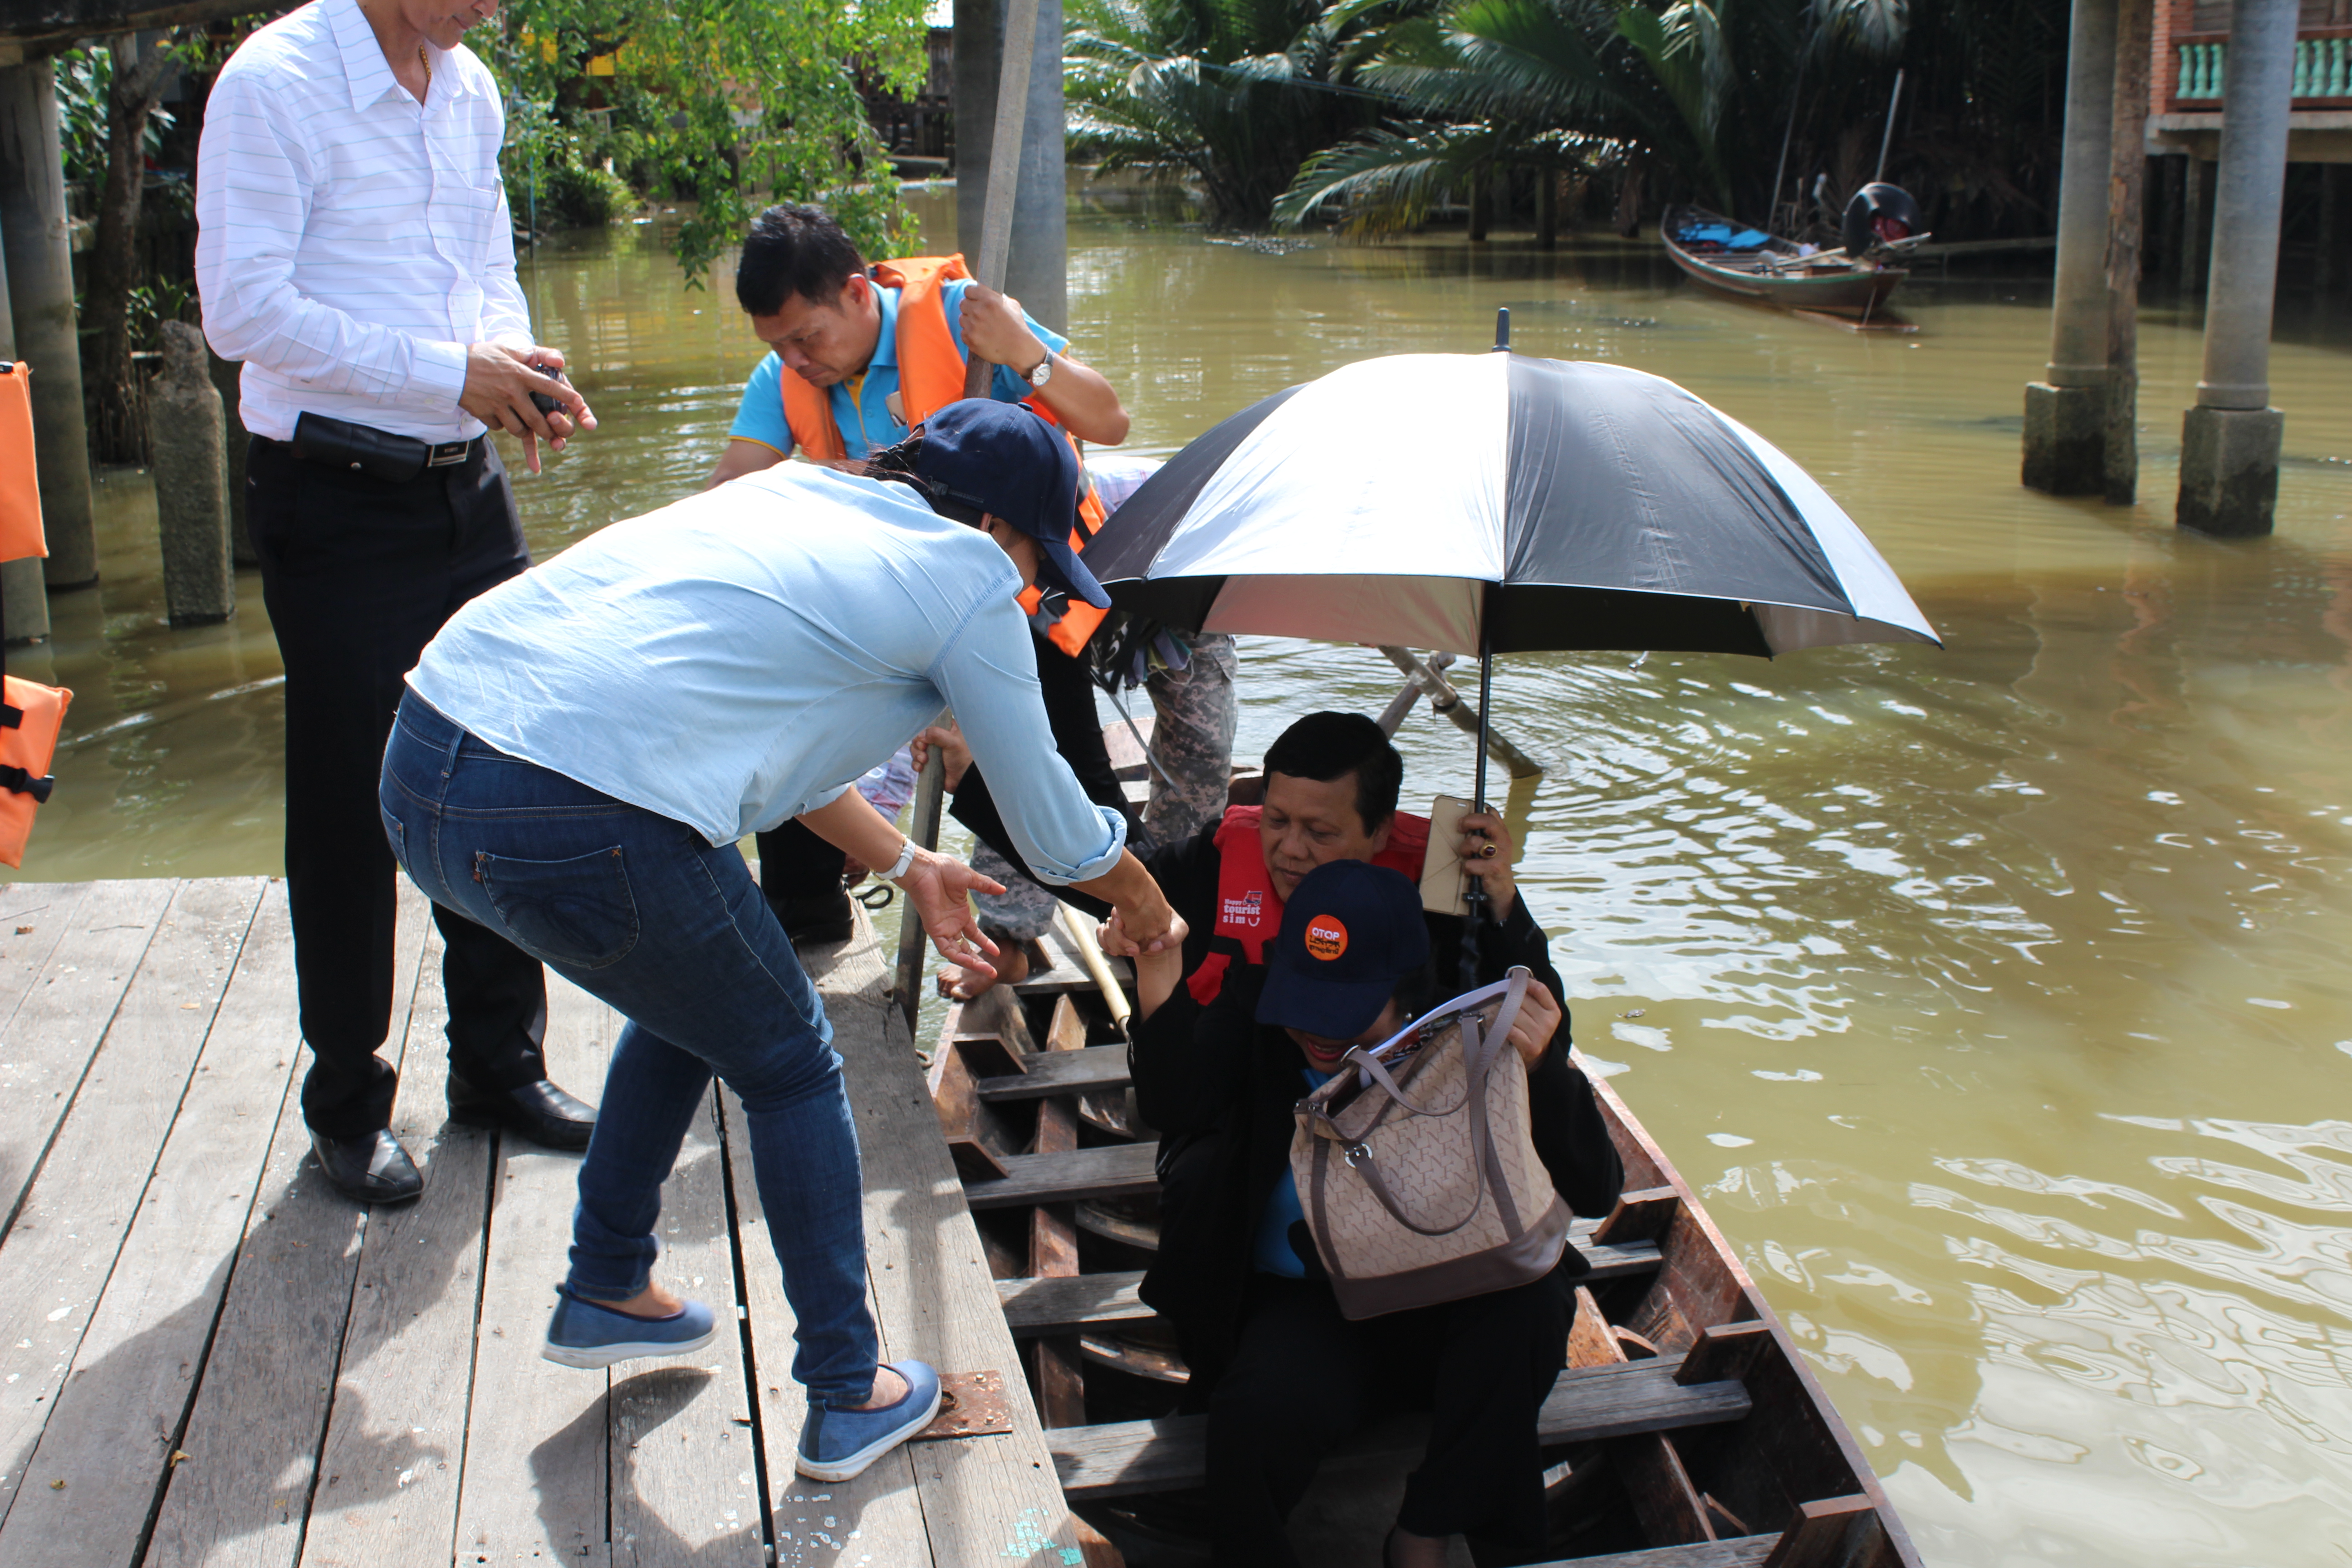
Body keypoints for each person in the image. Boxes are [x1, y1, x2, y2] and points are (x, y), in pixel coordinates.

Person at [378, 400, 1183, 1481]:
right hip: (566, 809)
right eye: (1042, 561)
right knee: (793, 1062)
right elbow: (1052, 832)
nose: (1035, 590)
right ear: (1002, 528)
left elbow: (798, 766)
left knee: (699, 993)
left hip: (423, 757)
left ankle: (606, 1280)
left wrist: (911, 863)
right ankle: (849, 1391)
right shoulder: (972, 573)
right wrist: (1141, 899)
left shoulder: (799, 491)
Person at [196, 0, 604, 1205]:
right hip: (335, 494)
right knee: (349, 799)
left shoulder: (467, 87)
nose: (494, 5)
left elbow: (483, 275)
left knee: (502, 766)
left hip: (462, 486)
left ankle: (498, 1063)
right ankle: (347, 1101)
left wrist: (514, 367)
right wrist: (448, 372)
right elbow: (244, 312)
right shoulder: (273, 84)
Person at [1124, 859, 1622, 1567]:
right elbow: (1173, 1104)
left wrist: (1548, 1074)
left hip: (1455, 1294)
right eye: (1307, 1006)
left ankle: (1424, 1527)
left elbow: (1598, 1190)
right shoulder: (1257, 1018)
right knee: (1251, 1415)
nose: (1323, 1038)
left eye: (1351, 1013)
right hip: (1313, 1308)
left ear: (1409, 991)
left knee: (1538, 1309)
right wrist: (1159, 968)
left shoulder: (1477, 1035)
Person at [701, 203, 1135, 949]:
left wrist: (1023, 349)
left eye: (807, 337)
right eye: (780, 346)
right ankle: (806, 929)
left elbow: (1108, 420)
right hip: (898, 613)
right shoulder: (783, 375)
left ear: (858, 293)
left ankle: (1144, 909)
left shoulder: (968, 322)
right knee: (799, 736)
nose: (797, 361)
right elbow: (732, 485)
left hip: (1016, 596)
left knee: (1069, 785)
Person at [941, 710, 1553, 1020]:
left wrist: (1501, 897)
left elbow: (1523, 1008)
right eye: (1278, 821)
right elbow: (1111, 877)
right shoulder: (1226, 858)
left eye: (1321, 833)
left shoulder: (1437, 884)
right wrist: (977, 787)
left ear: (1381, 832)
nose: (1289, 849)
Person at [926, 451, 1240, 998]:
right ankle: (1011, 936)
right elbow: (1040, 772)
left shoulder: (1153, 507)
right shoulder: (989, 584)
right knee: (1022, 764)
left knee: (1201, 759)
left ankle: (1163, 910)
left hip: (1171, 603)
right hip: (1054, 615)